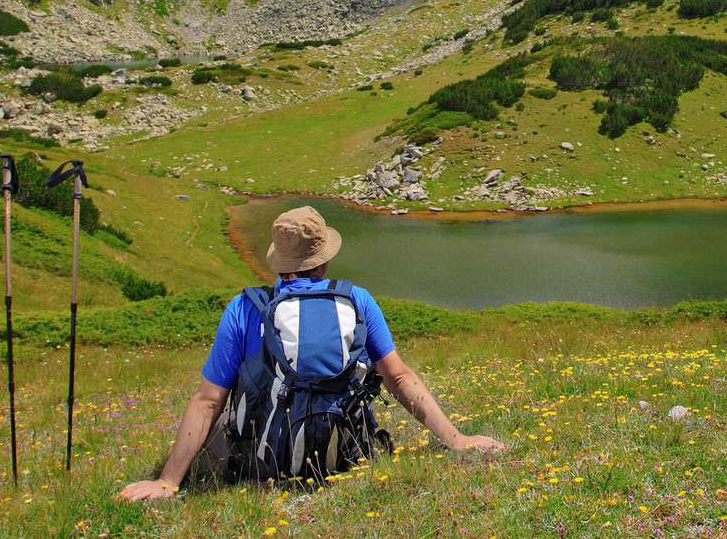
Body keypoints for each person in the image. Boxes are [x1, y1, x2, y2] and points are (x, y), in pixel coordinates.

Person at [118, 205, 503, 501]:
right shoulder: (356, 300)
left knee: (221, 419)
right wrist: (457, 439)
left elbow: (207, 401)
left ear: (280, 260)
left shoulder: (246, 308)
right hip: (344, 458)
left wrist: (168, 481)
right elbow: (398, 378)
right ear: (324, 257)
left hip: (259, 467)